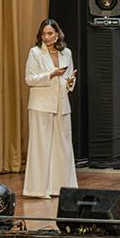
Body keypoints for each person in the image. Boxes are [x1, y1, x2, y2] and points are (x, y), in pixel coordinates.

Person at [23, 18, 78, 198]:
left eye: (50, 33)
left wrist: (70, 81)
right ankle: (39, 189)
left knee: (62, 147)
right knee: (41, 147)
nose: (46, 37)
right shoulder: (35, 53)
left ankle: (61, 187)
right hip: (41, 105)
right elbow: (29, 79)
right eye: (43, 34)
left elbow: (69, 81)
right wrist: (51, 74)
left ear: (57, 34)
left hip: (61, 105)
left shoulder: (66, 53)